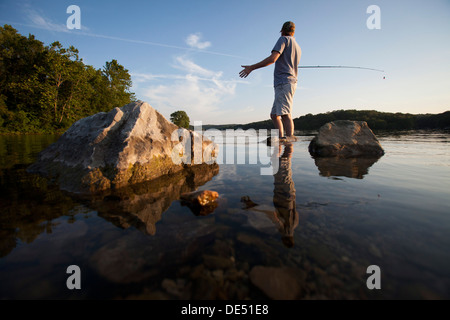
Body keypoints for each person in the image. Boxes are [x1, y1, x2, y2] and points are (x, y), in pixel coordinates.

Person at [239, 21, 302, 140]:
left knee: (285, 114)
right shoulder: (298, 47)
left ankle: (289, 144)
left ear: (282, 31)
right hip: (287, 82)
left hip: (284, 81)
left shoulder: (283, 40)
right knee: (274, 115)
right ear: (293, 32)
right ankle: (280, 139)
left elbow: (273, 59)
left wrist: (251, 67)